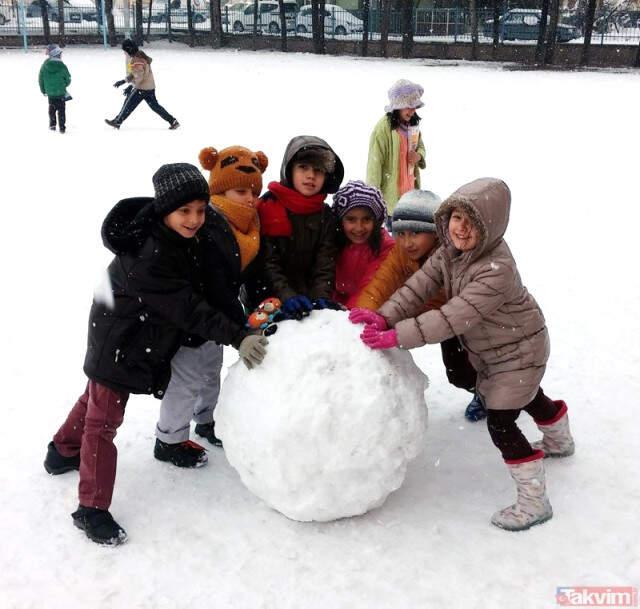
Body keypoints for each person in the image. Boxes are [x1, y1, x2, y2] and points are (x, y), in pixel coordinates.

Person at [43, 163, 269, 546]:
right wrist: (237, 336)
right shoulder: (150, 254)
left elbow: (208, 288)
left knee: (96, 397)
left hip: (141, 331)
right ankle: (91, 507)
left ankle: (62, 450)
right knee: (105, 417)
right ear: (165, 210)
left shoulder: (183, 237)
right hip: (120, 338)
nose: (195, 219)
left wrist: (242, 318)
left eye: (201, 209)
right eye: (185, 211)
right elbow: (188, 307)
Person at [352, 178, 575, 531]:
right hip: (498, 346)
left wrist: (397, 335)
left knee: (501, 420)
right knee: (528, 393)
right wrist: (384, 314)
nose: (462, 228)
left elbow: (452, 316)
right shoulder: (449, 253)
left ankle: (534, 502)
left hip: (519, 347)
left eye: (472, 222)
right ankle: (559, 440)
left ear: (491, 228)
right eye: (456, 218)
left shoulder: (495, 270)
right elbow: (418, 287)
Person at [154, 145, 268, 460]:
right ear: (219, 191)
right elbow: (215, 284)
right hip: (193, 320)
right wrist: (239, 328)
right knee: (186, 380)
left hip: (215, 321)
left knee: (209, 372)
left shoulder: (244, 225)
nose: (248, 197)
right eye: (240, 190)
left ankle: (206, 420)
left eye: (252, 191)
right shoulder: (211, 226)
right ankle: (169, 439)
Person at [353, 189, 487, 422]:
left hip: (467, 319)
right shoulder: (401, 253)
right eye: (401, 233)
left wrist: (398, 323)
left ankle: (490, 395)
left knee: (470, 368)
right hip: (437, 320)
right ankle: (483, 391)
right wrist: (366, 311)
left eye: (416, 233)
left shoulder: (451, 254)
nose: (407, 242)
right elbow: (382, 283)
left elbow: (441, 301)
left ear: (436, 232)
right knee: (457, 373)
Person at [257, 135, 344, 319]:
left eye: (318, 170)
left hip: (307, 300)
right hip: (266, 301)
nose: (311, 175)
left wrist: (320, 297)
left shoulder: (326, 216)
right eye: (303, 167)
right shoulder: (268, 206)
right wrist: (286, 296)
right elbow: (267, 262)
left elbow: (325, 264)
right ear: (289, 170)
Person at [366, 79, 426, 219]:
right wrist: (372, 198)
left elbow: (421, 147)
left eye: (414, 106)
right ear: (398, 105)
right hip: (391, 201)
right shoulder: (383, 129)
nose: (412, 111)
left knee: (409, 239)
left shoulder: (412, 125)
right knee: (395, 240)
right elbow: (374, 164)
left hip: (411, 198)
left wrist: (418, 156)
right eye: (408, 106)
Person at [331, 180, 394, 309]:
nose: (359, 228)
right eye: (351, 219)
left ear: (376, 221)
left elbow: (372, 286)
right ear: (340, 220)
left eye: (366, 219)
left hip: (369, 305)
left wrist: (347, 312)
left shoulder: (385, 247)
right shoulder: (332, 241)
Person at [105, 39, 179, 130]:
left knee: (128, 104)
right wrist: (124, 81)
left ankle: (118, 121)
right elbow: (137, 74)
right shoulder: (141, 55)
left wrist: (131, 86)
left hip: (141, 88)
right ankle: (173, 121)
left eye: (124, 51)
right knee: (155, 107)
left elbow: (139, 77)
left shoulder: (136, 60)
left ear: (129, 50)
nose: (124, 53)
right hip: (149, 87)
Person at [38, 44, 71, 134]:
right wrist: (64, 84)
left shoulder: (45, 65)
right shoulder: (62, 66)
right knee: (61, 110)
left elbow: (41, 78)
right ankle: (62, 127)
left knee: (52, 108)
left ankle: (52, 125)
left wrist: (43, 90)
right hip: (60, 92)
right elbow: (68, 78)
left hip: (50, 93)